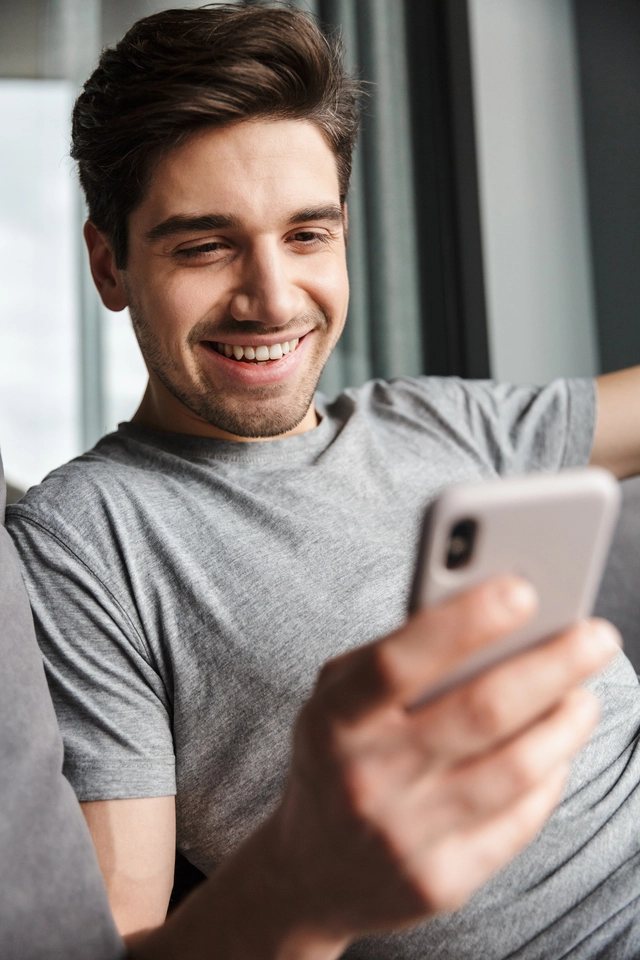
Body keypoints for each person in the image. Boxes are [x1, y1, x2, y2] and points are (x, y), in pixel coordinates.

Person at [6, 5, 640, 958]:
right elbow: (119, 939)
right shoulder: (85, 538)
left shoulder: (434, 419)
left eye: (307, 235)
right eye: (205, 245)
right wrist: (303, 886)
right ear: (112, 265)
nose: (272, 298)